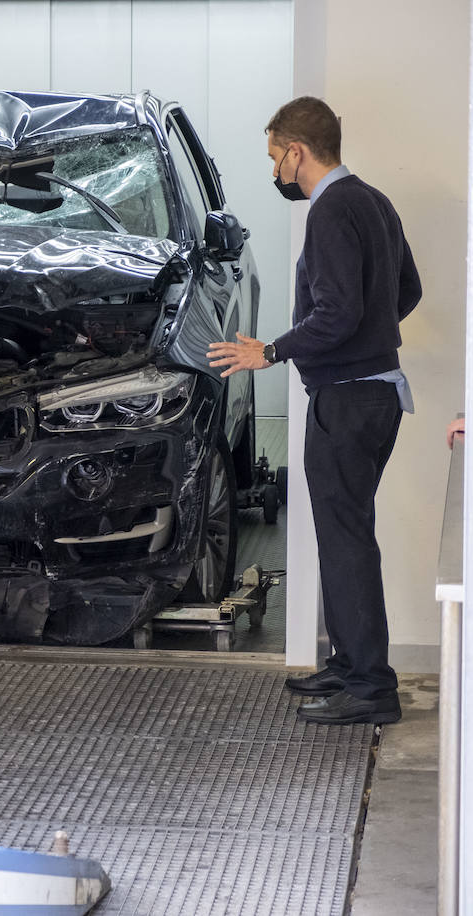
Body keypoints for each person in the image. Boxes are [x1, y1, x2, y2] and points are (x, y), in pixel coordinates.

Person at [207, 97, 420, 726]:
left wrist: (271, 351)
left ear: (297, 151)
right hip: (377, 393)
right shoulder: (375, 201)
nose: (276, 171)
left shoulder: (330, 211)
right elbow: (405, 292)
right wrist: (366, 337)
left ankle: (371, 687)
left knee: (345, 537)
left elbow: (337, 314)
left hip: (348, 398)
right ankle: (353, 667)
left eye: (276, 157)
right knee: (345, 532)